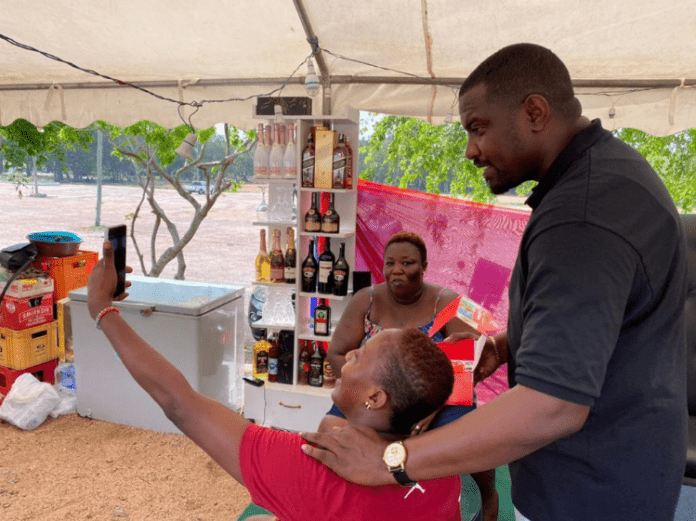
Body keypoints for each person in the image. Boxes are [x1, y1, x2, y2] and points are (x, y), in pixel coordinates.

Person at [301, 43, 688, 521]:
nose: (470, 150)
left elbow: (553, 406)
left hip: (593, 489)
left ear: (534, 112)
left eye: (477, 128)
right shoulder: (607, 175)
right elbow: (608, 321)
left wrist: (391, 461)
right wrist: (507, 345)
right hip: (623, 463)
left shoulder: (582, 217)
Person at [86, 240, 464, 521]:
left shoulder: (311, 467)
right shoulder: (440, 468)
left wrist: (103, 310)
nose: (348, 354)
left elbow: (178, 402)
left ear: (375, 398)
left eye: (361, 356)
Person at [320, 229, 499, 520]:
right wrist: (362, 391)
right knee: (329, 430)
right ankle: (342, 502)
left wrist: (433, 406)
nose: (396, 270)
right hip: (375, 396)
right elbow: (337, 352)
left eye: (407, 263)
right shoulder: (366, 299)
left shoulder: (448, 301)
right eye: (390, 263)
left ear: (424, 267)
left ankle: (489, 498)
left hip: (439, 396)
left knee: (474, 439)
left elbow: (478, 358)